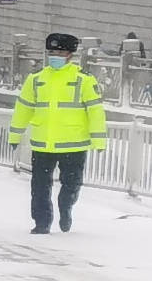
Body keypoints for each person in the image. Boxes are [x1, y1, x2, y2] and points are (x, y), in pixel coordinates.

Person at [8, 29, 110, 235]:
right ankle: (42, 223)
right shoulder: (36, 79)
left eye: (61, 53)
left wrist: (99, 140)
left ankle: (66, 206)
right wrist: (15, 135)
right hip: (43, 143)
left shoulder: (84, 79)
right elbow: (23, 109)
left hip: (74, 144)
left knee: (71, 185)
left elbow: (95, 112)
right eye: (52, 53)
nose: (56, 57)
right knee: (39, 187)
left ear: (70, 55)